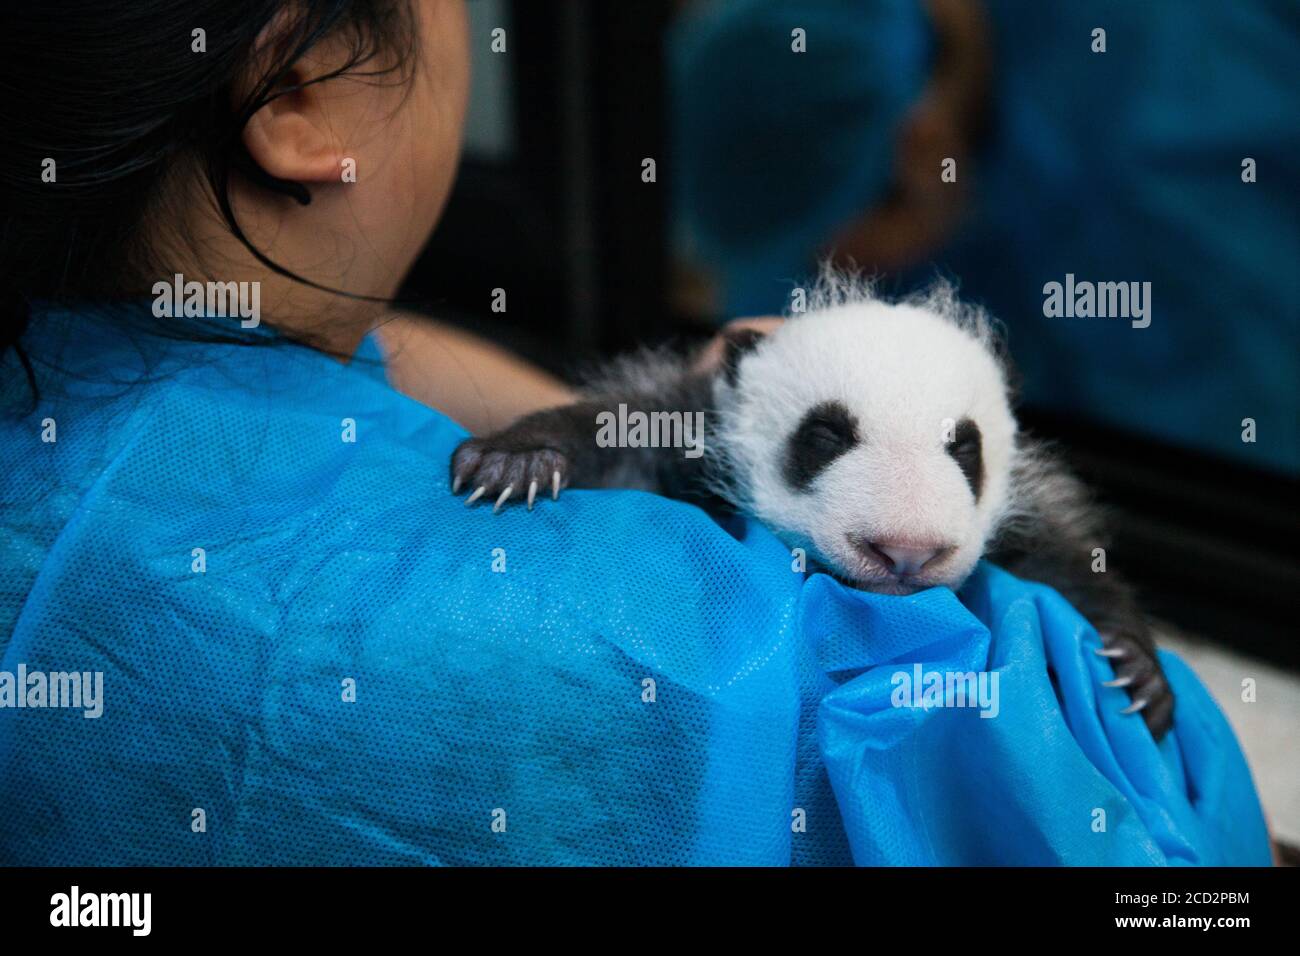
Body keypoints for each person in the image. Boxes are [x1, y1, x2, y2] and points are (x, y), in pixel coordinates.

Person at [0, 1, 1270, 865]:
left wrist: (658, 409)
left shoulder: (67, 403)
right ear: (299, 93)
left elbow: (345, 354)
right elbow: (1163, 828)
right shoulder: (807, 670)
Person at [672, 0, 1299, 472]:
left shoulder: (1148, 187)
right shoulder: (841, 264)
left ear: (918, 154)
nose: (836, 272)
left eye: (836, 252)